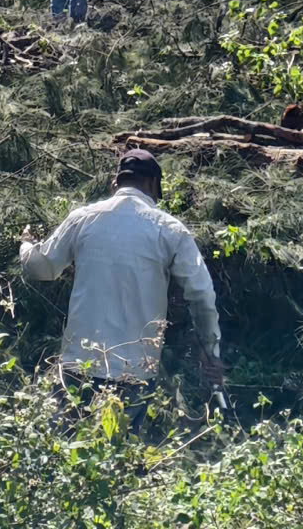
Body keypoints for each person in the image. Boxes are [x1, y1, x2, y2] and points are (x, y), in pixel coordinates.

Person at [19, 148, 224, 424]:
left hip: (79, 367)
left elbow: (39, 268)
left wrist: (26, 244)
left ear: (116, 183)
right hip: (135, 373)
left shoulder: (84, 218)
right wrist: (210, 351)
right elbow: (201, 294)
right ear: (153, 184)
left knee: (70, 454)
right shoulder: (169, 229)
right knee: (121, 455)